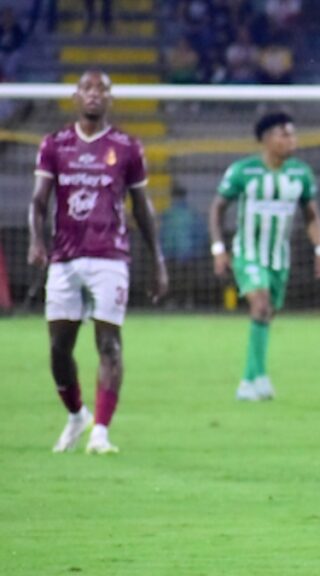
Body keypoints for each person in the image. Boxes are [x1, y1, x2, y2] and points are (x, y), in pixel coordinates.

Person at [28, 70, 168, 454]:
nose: (94, 95)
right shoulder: (55, 144)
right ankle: (77, 416)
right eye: (87, 88)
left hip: (110, 256)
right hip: (65, 256)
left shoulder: (126, 146)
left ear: (110, 98)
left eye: (101, 89)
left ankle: (101, 431)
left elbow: (142, 208)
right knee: (59, 347)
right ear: (75, 96)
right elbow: (39, 201)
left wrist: (157, 260)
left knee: (110, 344)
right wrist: (37, 241)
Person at [209, 111, 320, 401]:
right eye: (284, 134)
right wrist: (219, 249)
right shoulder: (243, 171)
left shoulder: (300, 173)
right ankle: (247, 383)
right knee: (260, 306)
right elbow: (217, 209)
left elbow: (311, 215)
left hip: (279, 258)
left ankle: (259, 377)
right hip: (248, 254)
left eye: (293, 133)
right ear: (266, 139)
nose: (292, 139)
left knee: (267, 314)